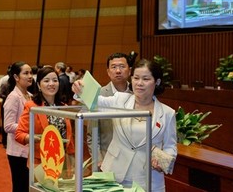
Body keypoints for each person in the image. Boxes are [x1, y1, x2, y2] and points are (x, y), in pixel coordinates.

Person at [72, 59, 177, 191]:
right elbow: (96, 102)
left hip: (147, 178)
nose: (139, 83)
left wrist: (164, 161)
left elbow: (170, 146)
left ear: (157, 82)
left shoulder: (167, 113)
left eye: (145, 79)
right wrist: (81, 89)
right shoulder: (121, 100)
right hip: (114, 174)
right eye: (136, 78)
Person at [15, 67, 75, 167]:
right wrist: (33, 138)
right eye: (46, 81)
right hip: (40, 162)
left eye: (55, 80)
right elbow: (19, 134)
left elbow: (69, 136)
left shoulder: (63, 107)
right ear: (39, 85)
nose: (51, 84)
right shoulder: (32, 106)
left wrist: (72, 160)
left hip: (63, 161)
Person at [87, 53, 132, 166]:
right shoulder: (99, 95)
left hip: (133, 160)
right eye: (114, 67)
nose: (118, 71)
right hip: (106, 159)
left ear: (130, 70)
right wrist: (98, 160)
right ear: (108, 72)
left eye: (122, 66)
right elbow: (92, 134)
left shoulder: (136, 94)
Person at [3, 61, 33, 192]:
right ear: (16, 77)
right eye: (25, 73)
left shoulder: (31, 96)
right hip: (17, 150)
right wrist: (29, 128)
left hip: (30, 148)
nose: (30, 76)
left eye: (31, 73)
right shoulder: (13, 97)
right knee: (20, 187)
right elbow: (8, 126)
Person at [0, 65, 11, 148]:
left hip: (9, 103)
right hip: (6, 103)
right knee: (5, 123)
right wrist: (8, 97)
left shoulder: (18, 82)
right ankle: (5, 142)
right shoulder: (4, 81)